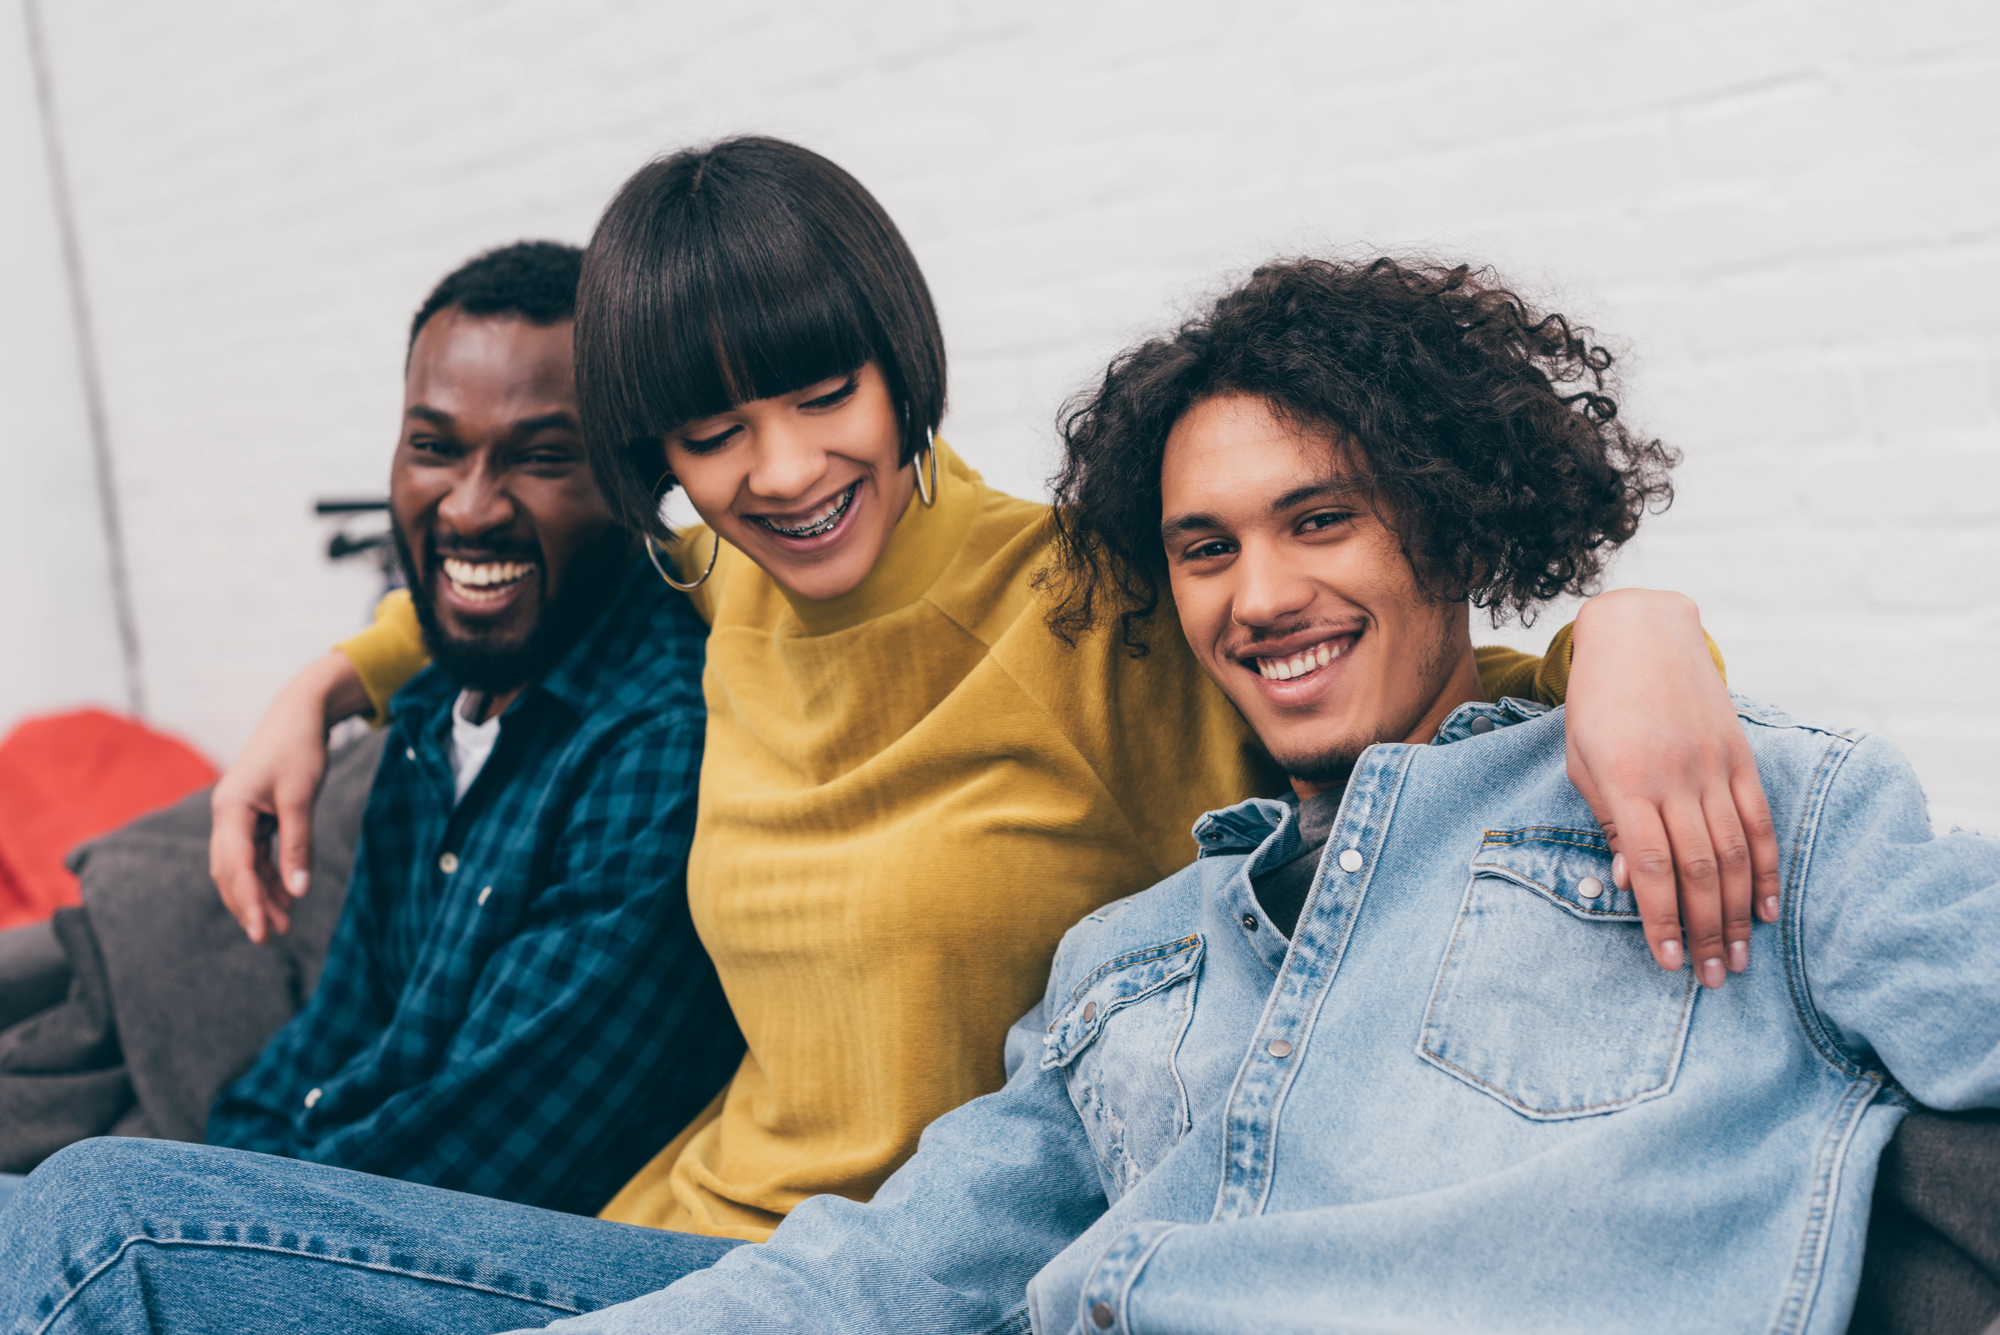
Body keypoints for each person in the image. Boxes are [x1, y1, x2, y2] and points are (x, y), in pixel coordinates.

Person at [5, 255, 1983, 1335]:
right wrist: (338, 672)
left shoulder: (1737, 812)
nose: (1262, 593)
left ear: (1452, 521)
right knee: (103, 1229)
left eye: (1321, 520)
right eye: (1205, 548)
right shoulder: (1129, 966)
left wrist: (1648, 624)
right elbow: (881, 1269)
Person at [203, 138, 1776, 1252]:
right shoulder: (729, 577)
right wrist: (336, 676)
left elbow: (1421, 685)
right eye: (712, 431)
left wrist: (1642, 626)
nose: (786, 470)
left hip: (920, 1273)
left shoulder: (1086, 598)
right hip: (683, 1236)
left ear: (899, 360)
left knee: (103, 1222)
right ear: (659, 463)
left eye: (827, 394)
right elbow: (546, 587)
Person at [0, 240, 744, 1216]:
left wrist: (200, 1223)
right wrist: (230, 1175)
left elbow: (479, 1159)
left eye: (543, 456)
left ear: (632, 481)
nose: (470, 508)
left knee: (74, 1205)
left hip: (467, 1253)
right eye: (434, 446)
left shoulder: (652, 744)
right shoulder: (435, 703)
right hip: (309, 1202)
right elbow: (318, 1049)